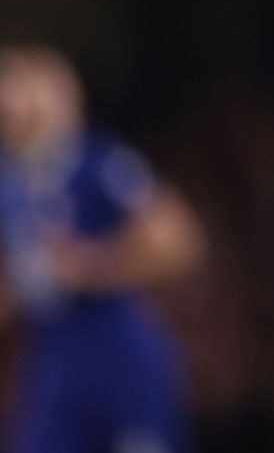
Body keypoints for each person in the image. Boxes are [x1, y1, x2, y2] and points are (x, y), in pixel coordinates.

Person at [0, 47, 205, 453]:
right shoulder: (11, 185)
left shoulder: (95, 161)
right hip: (55, 358)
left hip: (117, 349)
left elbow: (179, 239)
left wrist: (91, 266)